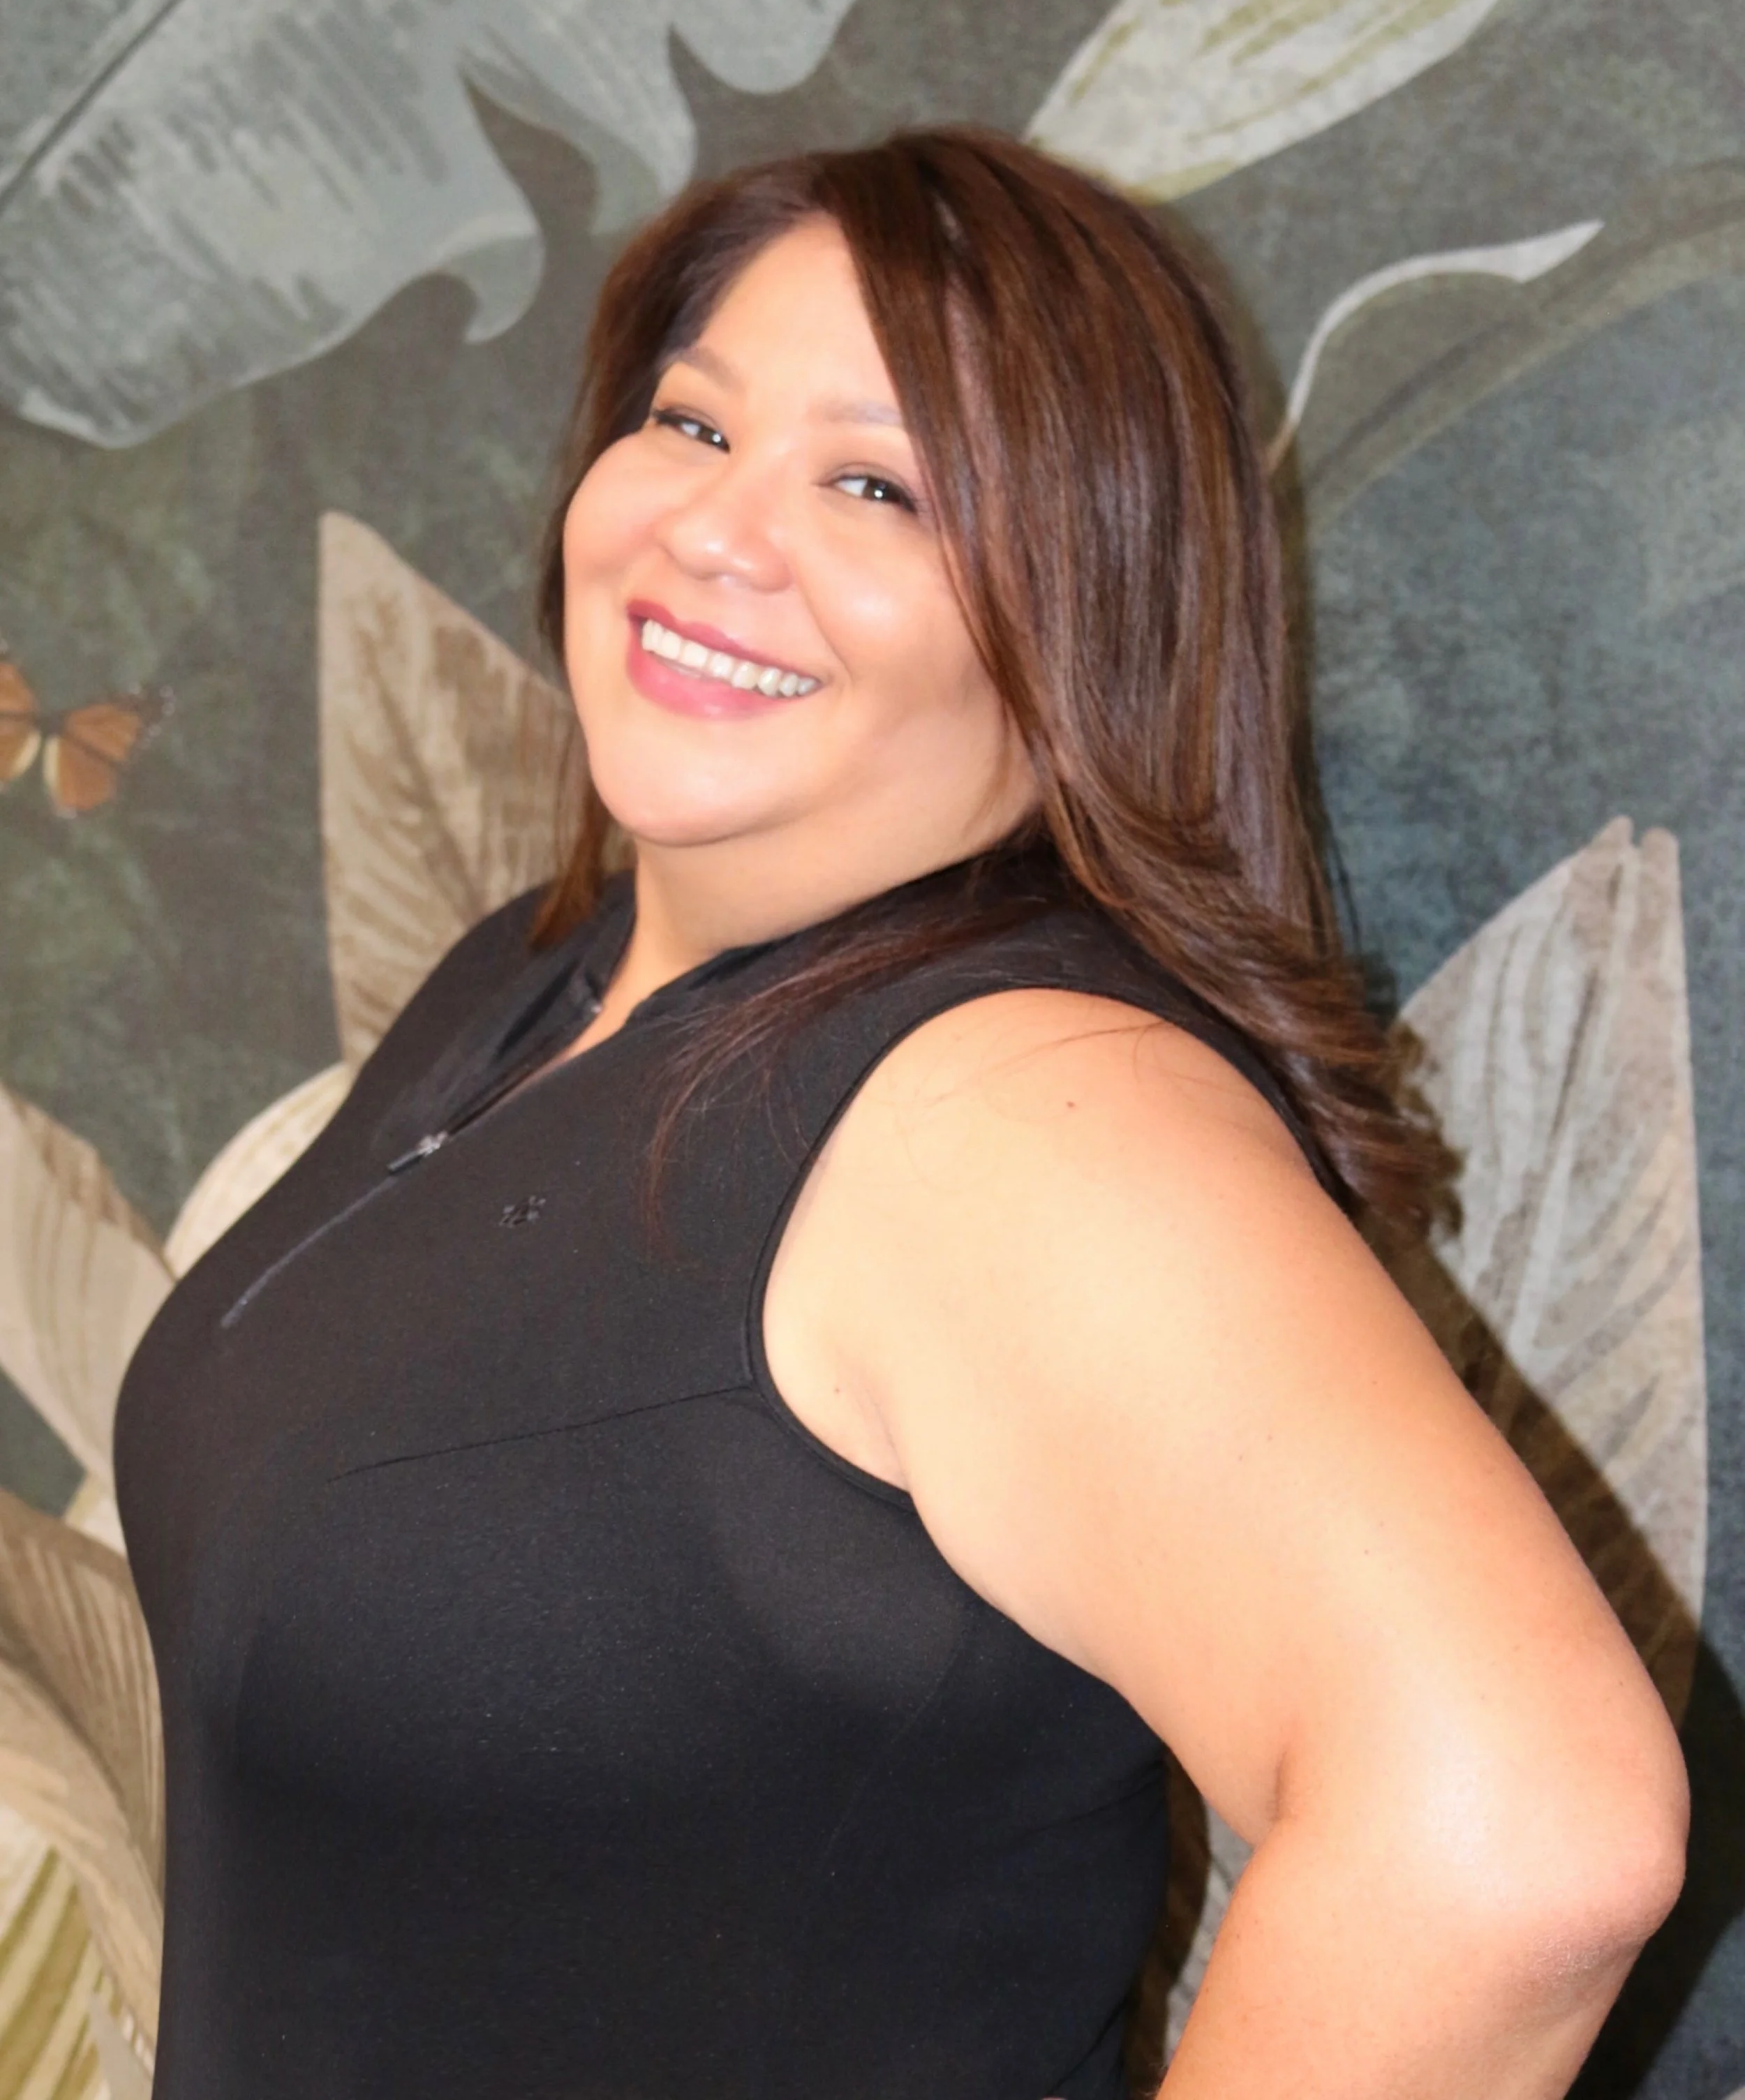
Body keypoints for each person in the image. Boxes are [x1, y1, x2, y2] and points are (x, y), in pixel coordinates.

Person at [114, 127, 1687, 2100]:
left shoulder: (1019, 1115)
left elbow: (1517, 1835)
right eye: (692, 426)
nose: (713, 528)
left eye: (873, 483)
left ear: (1072, 622)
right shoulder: (546, 970)